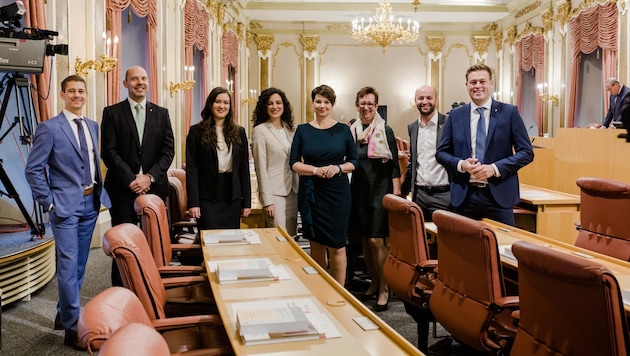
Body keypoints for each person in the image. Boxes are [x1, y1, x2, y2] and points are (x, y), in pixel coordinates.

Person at [25, 75, 111, 350]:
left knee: (80, 264)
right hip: (63, 206)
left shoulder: (92, 126)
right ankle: (73, 328)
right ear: (62, 94)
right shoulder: (49, 128)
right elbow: (33, 169)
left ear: (86, 95)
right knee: (67, 265)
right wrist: (48, 202)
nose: (77, 95)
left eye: (81, 91)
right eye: (71, 91)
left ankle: (63, 315)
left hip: (90, 203)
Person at [101, 66, 174, 286]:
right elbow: (109, 152)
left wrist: (149, 177)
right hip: (122, 190)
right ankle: (121, 289)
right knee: (123, 243)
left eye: (143, 78)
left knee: (153, 242)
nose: (139, 82)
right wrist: (132, 179)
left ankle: (151, 287)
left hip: (155, 190)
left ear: (148, 82)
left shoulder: (161, 113)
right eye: (134, 79)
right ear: (126, 84)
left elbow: (168, 151)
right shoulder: (112, 112)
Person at [436, 63, 534, 225]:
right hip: (464, 196)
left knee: (501, 248)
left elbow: (526, 153)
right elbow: (441, 153)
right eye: (473, 82)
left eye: (482, 81)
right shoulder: (455, 115)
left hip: (499, 195)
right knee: (464, 248)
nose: (478, 86)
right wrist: (462, 165)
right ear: (466, 85)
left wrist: (494, 169)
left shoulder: (509, 113)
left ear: (491, 83)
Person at [290, 85, 358, 285]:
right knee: (316, 243)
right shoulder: (302, 130)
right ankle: (321, 289)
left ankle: (340, 292)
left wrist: (337, 168)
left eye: (326, 102)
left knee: (337, 244)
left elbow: (354, 162)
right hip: (312, 191)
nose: (322, 105)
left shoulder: (343, 130)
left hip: (337, 192)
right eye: (318, 101)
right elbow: (293, 163)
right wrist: (314, 170)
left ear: (333, 104)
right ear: (312, 104)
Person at [347, 86, 400, 311]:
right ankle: (374, 281)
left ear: (376, 106)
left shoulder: (384, 129)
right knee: (364, 240)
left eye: (370, 103)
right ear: (357, 105)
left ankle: (385, 288)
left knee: (377, 241)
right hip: (358, 190)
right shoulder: (351, 130)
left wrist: (396, 194)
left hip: (380, 190)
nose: (366, 107)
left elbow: (395, 164)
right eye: (362, 103)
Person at [186, 87, 251, 229]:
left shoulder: (239, 132)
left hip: (232, 196)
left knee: (231, 241)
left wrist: (246, 202)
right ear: (210, 104)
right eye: (218, 102)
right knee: (209, 241)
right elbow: (192, 169)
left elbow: (243, 169)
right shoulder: (196, 131)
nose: (222, 106)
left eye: (226, 103)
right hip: (207, 197)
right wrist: (194, 203)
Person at [251, 88, 298, 235]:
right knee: (278, 237)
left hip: (293, 190)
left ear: (284, 105)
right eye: (270, 103)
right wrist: (267, 200)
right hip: (274, 192)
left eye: (278, 103)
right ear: (265, 107)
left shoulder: (292, 130)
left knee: (291, 238)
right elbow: (260, 168)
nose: (275, 106)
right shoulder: (260, 131)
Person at [401, 85, 450, 222]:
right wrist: (404, 191)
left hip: (444, 194)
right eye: (420, 98)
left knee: (445, 240)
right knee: (420, 239)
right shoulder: (413, 127)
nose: (424, 101)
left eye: (429, 98)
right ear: (415, 101)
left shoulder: (448, 123)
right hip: (419, 195)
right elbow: (413, 161)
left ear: (436, 99)